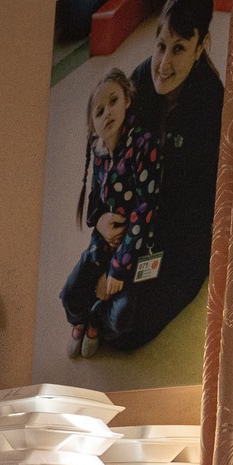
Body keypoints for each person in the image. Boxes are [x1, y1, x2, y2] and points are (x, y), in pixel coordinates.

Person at [94, 0, 225, 353]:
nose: (164, 64)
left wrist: (141, 243)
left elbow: (201, 206)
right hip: (132, 219)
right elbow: (106, 161)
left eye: (179, 49)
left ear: (201, 47)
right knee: (83, 285)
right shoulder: (137, 83)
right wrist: (102, 218)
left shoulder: (212, 104)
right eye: (161, 46)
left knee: (127, 327)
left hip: (178, 236)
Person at [61, 70, 160, 356]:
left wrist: (117, 269)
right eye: (99, 111)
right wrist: (100, 222)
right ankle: (80, 321)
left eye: (113, 101)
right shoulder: (98, 151)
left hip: (132, 249)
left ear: (127, 100)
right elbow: (96, 199)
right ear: (93, 127)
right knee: (70, 295)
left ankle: (95, 321)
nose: (108, 113)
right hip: (102, 241)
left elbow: (145, 209)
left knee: (122, 316)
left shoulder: (143, 143)